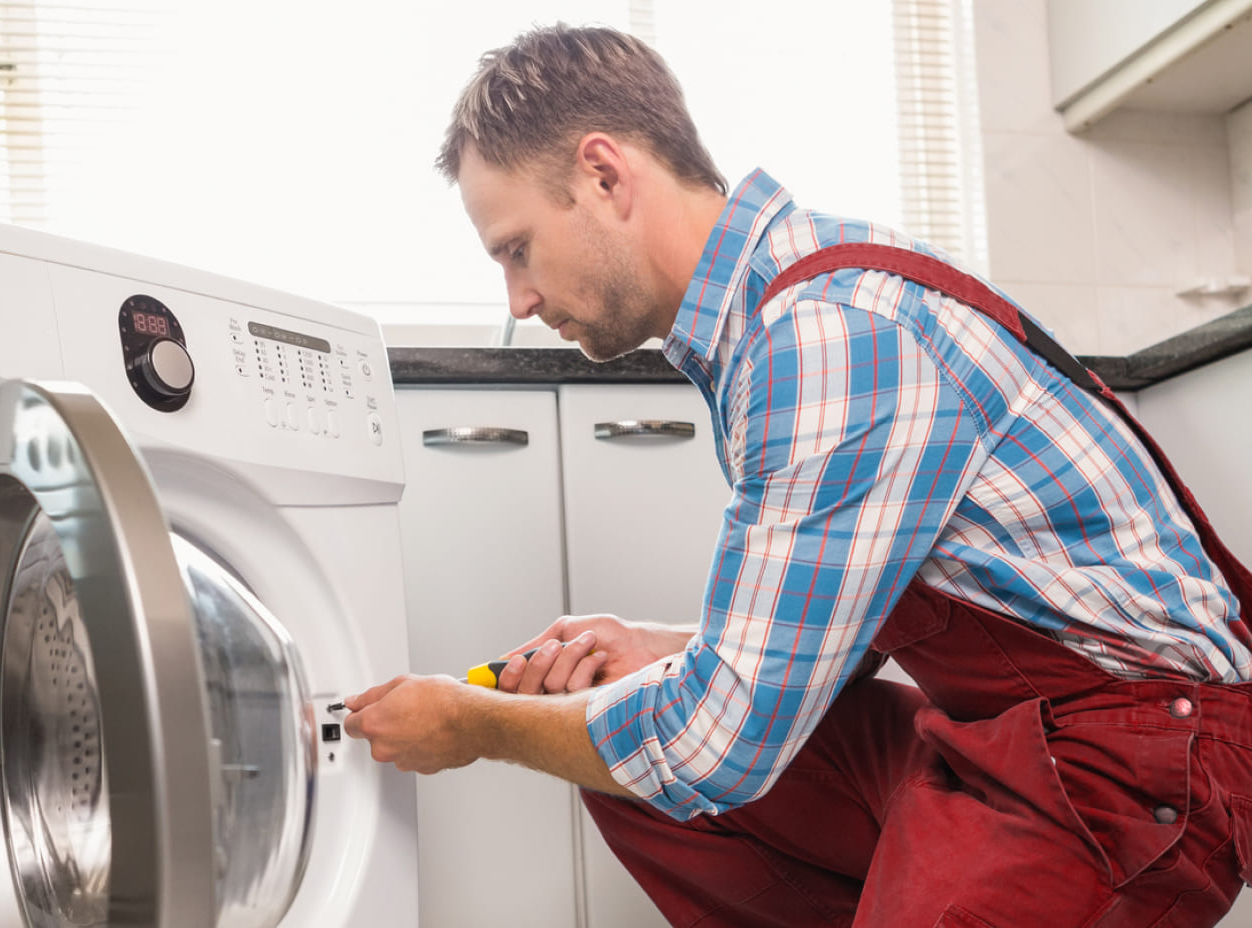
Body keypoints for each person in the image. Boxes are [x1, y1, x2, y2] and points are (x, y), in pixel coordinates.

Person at [341, 23, 1252, 927]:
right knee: (627, 753)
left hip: (1136, 764)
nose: (519, 300)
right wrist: (662, 648)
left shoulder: (823, 334)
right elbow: (841, 628)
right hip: (1009, 738)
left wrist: (470, 723)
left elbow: (718, 746)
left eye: (517, 249)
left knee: (671, 747)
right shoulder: (765, 316)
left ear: (605, 176)